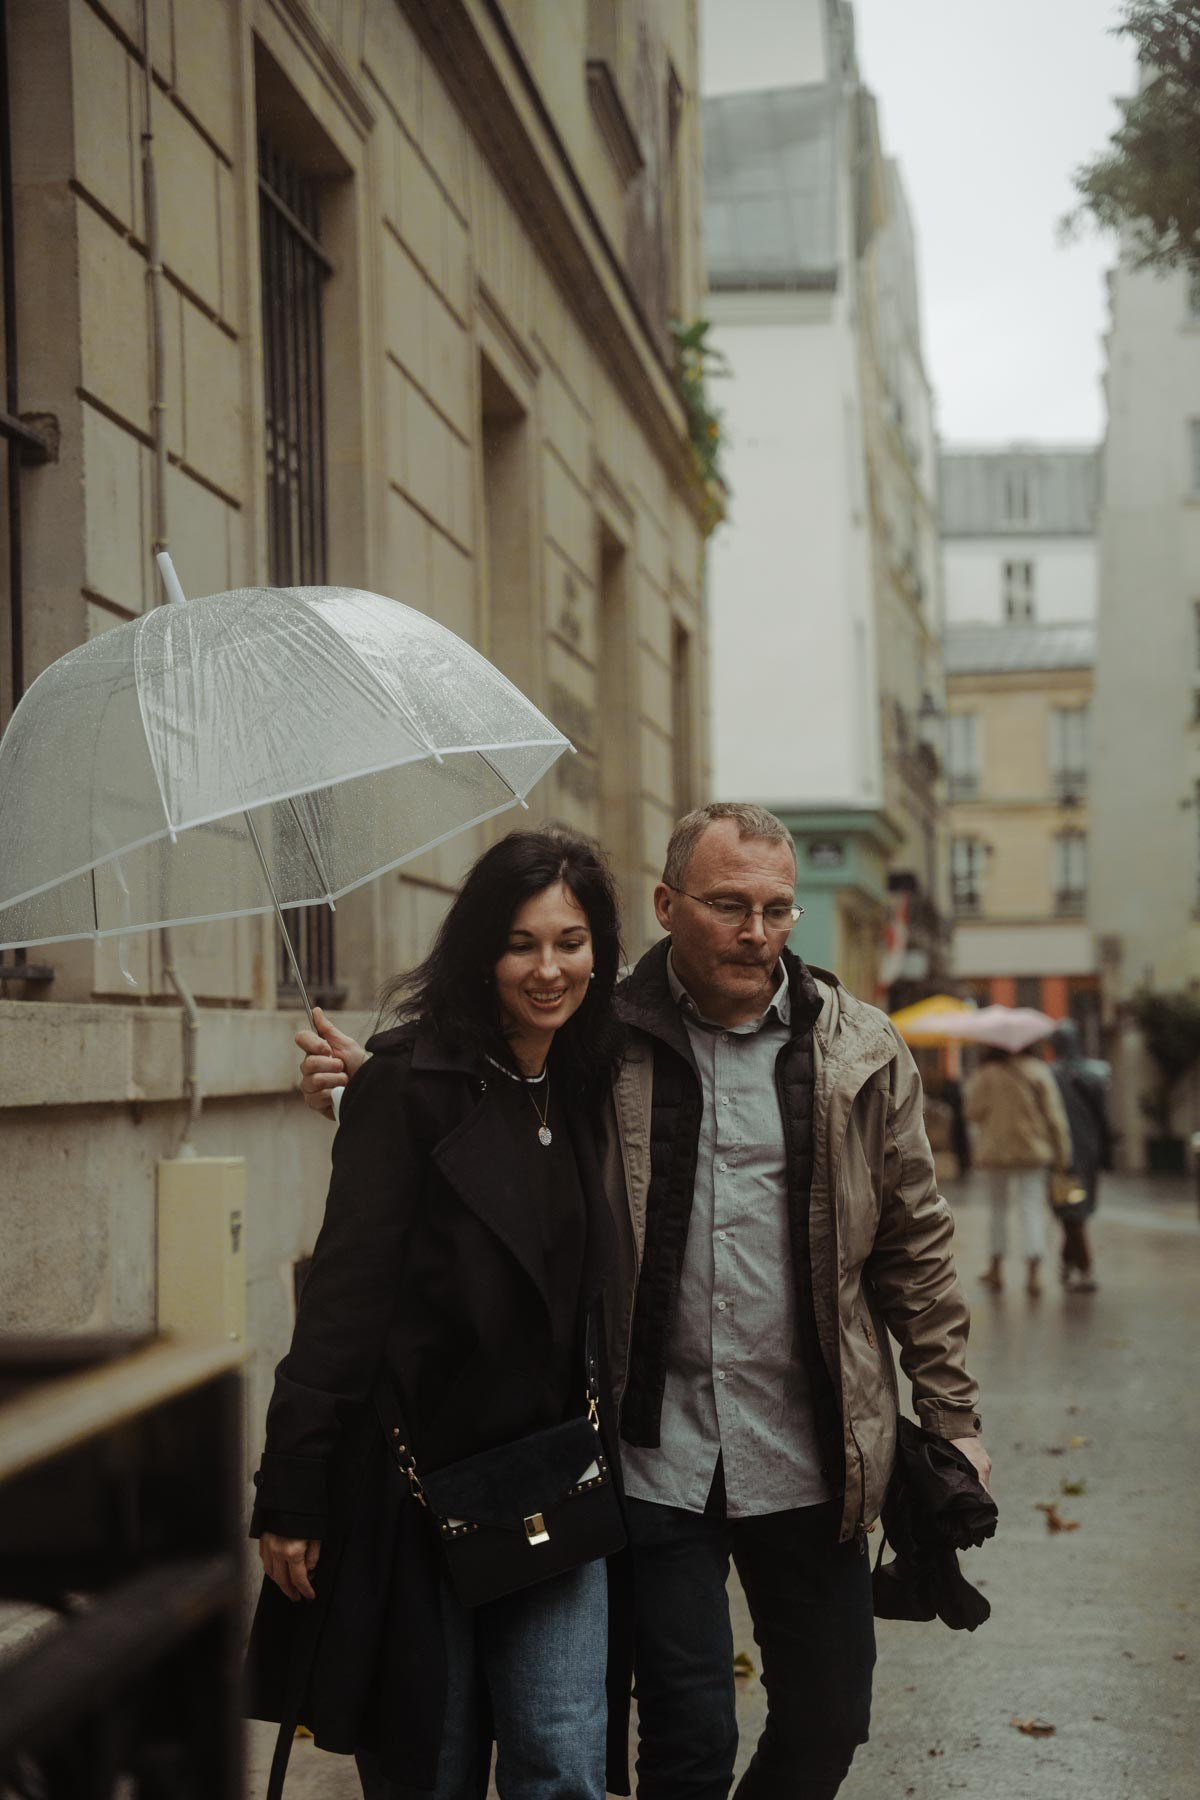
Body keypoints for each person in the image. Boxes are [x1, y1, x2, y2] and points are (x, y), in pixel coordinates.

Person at [299, 802, 991, 1800]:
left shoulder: (862, 1051)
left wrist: (953, 1416)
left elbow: (914, 1247)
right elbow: (496, 1104)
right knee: (686, 1737)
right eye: (729, 906)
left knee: (829, 1721)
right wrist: (374, 1089)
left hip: (814, 1452)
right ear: (668, 906)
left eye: (777, 909)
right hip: (655, 1456)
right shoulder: (600, 1037)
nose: (757, 932)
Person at [249, 828, 630, 1800]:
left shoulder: (586, 1078)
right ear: (480, 951)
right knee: (433, 1771)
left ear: (600, 951)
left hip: (551, 1481)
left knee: (563, 1766)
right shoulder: (410, 1085)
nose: (549, 969)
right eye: (521, 944)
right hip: (416, 1496)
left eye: (571, 942)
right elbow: (341, 1303)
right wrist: (292, 1490)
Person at [963, 1043, 1073, 1298]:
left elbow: (971, 1112)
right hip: (1032, 1151)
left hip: (996, 1152)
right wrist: (1063, 1154)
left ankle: (996, 1268)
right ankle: (1033, 1273)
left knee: (998, 1210)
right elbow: (1054, 1116)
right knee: (1031, 1208)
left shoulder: (987, 1074)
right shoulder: (1038, 1071)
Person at [1046, 1019, 1113, 1292]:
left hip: (1063, 1155)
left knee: (1072, 1210)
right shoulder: (1096, 1073)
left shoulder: (1049, 1075)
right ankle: (1070, 1263)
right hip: (1088, 1152)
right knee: (1075, 1209)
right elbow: (1104, 1118)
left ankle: (1083, 1268)